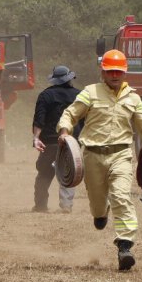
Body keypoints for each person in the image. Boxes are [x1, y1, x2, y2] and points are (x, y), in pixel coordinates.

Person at [58, 50, 142, 271]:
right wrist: (65, 130)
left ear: (124, 72)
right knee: (97, 203)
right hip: (92, 154)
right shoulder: (90, 92)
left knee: (121, 195)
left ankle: (125, 246)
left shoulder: (133, 98)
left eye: (118, 71)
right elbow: (71, 113)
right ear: (103, 72)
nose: (114, 75)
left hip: (121, 154)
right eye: (110, 71)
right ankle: (100, 213)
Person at [32, 65, 81, 214]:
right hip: (72, 143)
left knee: (44, 173)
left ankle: (40, 205)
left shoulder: (45, 95)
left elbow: (39, 119)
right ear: (70, 79)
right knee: (69, 172)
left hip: (50, 142)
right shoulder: (79, 95)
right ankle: (66, 204)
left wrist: (36, 138)